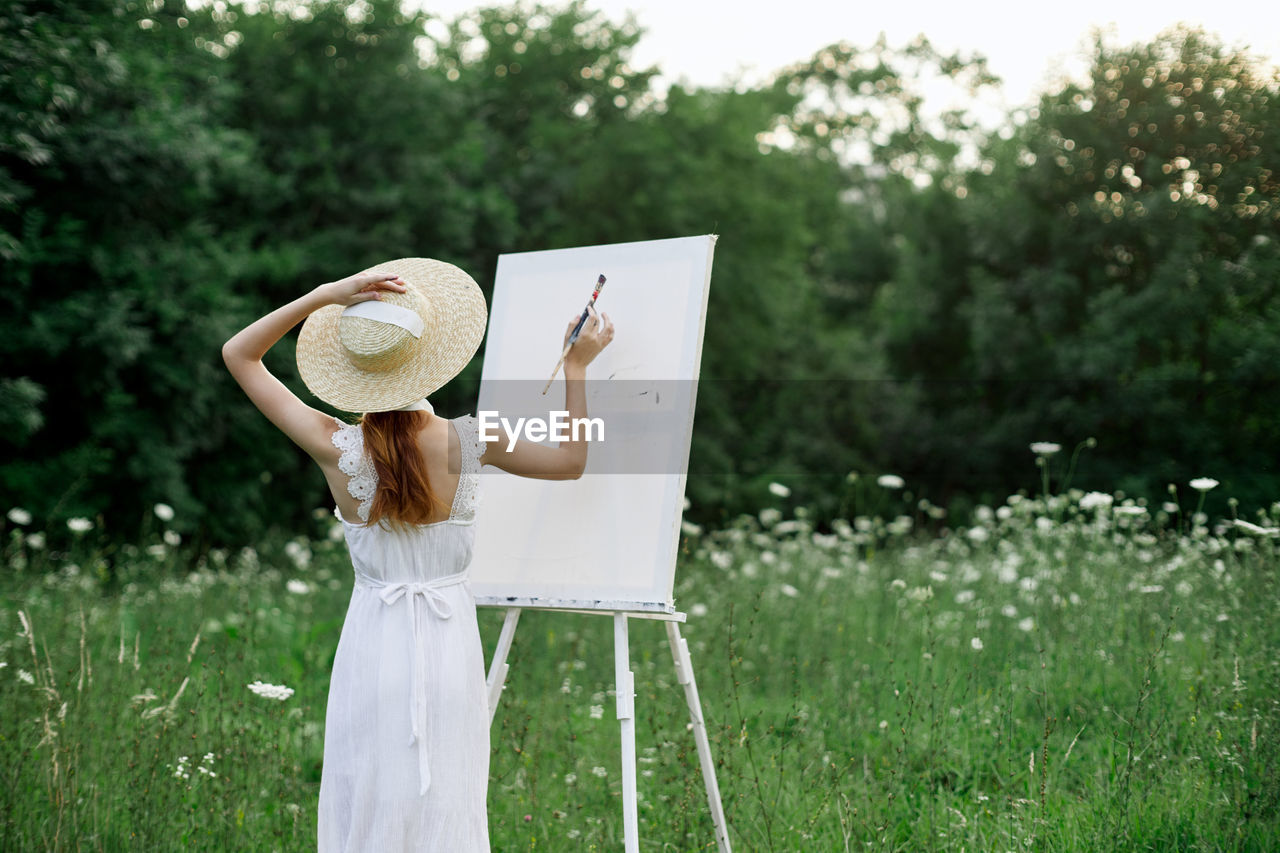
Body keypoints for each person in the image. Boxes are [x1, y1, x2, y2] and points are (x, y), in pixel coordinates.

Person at [221, 257, 614, 851]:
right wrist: (577, 367)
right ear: (430, 356)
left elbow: (239, 354)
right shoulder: (472, 440)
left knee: (368, 786)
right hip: (447, 644)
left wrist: (325, 294)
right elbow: (570, 462)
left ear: (354, 371)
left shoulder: (333, 446)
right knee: (445, 798)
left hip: (371, 646)